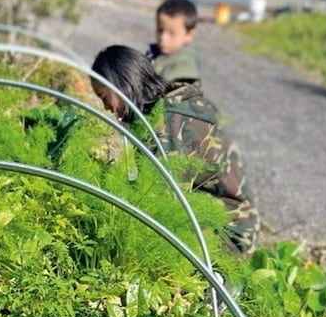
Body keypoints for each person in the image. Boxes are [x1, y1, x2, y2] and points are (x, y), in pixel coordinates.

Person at [91, 45, 259, 256]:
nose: (106, 108)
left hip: (228, 233)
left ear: (124, 86)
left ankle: (221, 284)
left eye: (105, 98)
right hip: (209, 216)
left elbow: (162, 206)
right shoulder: (169, 104)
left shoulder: (171, 126)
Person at [146, 0, 201, 86]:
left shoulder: (183, 68)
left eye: (172, 33)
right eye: (160, 30)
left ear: (189, 35)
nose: (163, 38)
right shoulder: (156, 54)